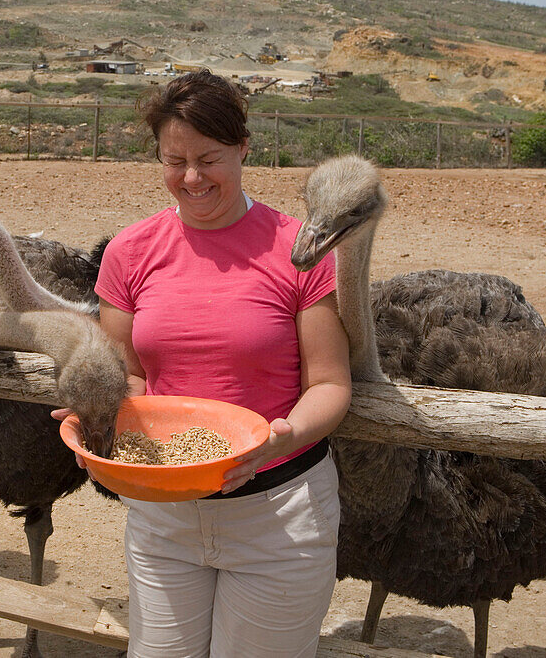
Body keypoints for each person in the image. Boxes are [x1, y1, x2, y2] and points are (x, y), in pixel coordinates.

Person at [56, 69, 351, 657]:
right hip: (163, 509)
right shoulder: (131, 251)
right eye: (174, 160)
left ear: (244, 149)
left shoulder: (300, 251)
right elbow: (130, 373)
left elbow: (329, 383)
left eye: (209, 158)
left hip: (278, 514)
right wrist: (101, 412)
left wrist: (279, 435)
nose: (191, 177)